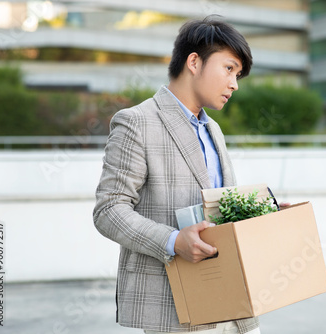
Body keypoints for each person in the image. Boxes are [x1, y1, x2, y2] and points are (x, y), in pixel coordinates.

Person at [93, 16, 261, 334]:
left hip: (233, 303)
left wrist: (265, 214)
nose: (235, 84)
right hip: (173, 308)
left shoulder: (214, 130)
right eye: (229, 69)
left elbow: (220, 208)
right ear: (194, 62)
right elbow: (108, 210)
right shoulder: (136, 122)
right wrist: (172, 242)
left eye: (238, 75)